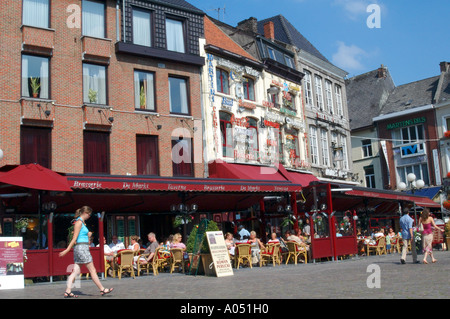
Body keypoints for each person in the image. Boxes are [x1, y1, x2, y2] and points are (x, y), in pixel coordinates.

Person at [59, 206, 113, 298]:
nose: (89, 216)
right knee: (92, 270)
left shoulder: (82, 223)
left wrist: (88, 234)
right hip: (82, 248)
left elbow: (80, 235)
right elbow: (74, 238)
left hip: (81, 248)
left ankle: (68, 291)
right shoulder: (79, 222)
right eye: (89, 214)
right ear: (85, 213)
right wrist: (67, 250)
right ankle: (102, 289)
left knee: (75, 271)